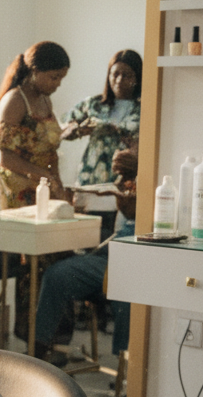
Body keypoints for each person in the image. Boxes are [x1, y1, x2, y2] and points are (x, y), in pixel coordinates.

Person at [34, 148, 136, 364]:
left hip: (134, 255)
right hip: (111, 247)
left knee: (128, 286)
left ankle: (125, 368)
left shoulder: (154, 178)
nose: (120, 180)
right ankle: (39, 352)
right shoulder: (128, 183)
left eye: (124, 175)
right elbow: (127, 213)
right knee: (56, 275)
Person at [0, 41, 71, 207]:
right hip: (18, 189)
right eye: (54, 77)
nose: (58, 84)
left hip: (42, 186)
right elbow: (6, 158)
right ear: (35, 71)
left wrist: (57, 183)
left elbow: (49, 151)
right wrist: (44, 175)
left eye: (61, 78)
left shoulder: (45, 100)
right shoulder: (15, 102)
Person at [61, 49, 142, 186]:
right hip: (91, 173)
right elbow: (64, 126)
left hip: (123, 176)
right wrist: (77, 129)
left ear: (137, 78)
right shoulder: (94, 104)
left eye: (127, 75)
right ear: (108, 75)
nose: (119, 80)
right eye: (115, 74)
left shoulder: (144, 109)